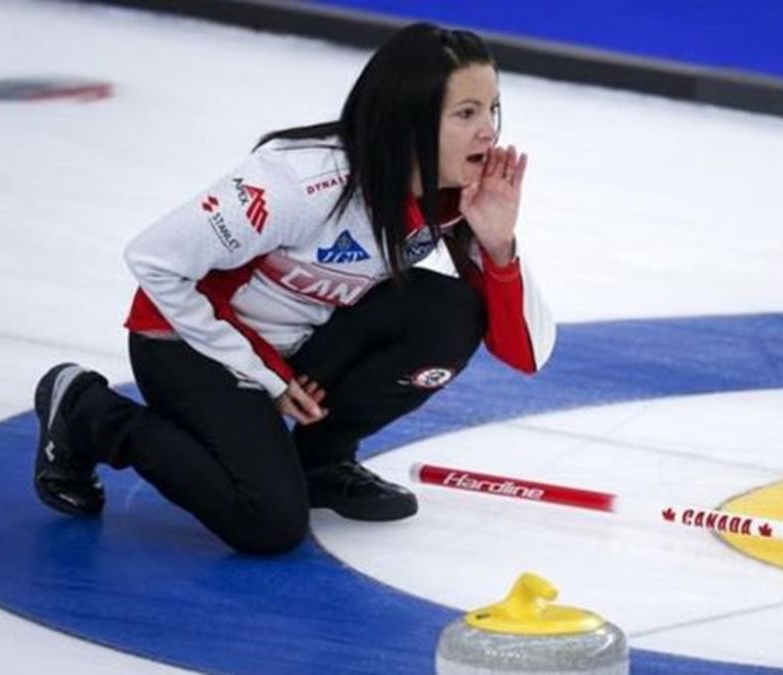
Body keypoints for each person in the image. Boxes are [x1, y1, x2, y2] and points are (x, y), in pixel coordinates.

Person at [31, 23, 555, 555]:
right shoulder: (297, 185)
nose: (488, 132)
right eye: (466, 113)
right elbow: (153, 260)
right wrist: (266, 375)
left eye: (492, 109)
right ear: (408, 118)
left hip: (297, 344)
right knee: (268, 524)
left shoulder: (457, 195)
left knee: (449, 313)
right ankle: (89, 412)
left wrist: (498, 245)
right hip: (188, 343)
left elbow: (526, 353)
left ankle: (319, 463)